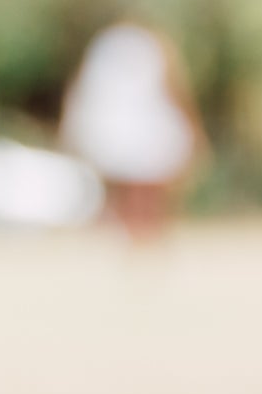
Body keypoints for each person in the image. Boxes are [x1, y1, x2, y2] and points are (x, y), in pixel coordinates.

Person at [61, 17, 200, 237]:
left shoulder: (107, 47)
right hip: (144, 129)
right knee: (145, 188)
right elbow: (175, 87)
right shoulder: (153, 46)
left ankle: (138, 236)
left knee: (134, 188)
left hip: (123, 128)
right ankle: (143, 237)